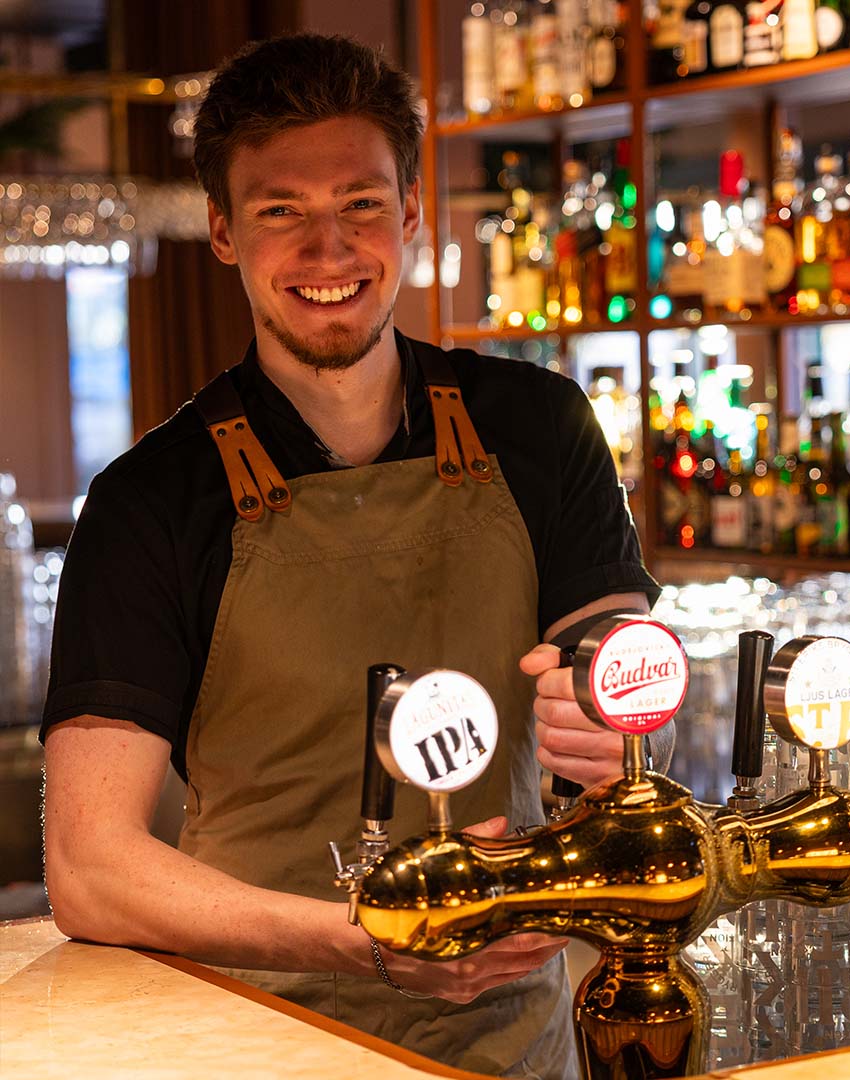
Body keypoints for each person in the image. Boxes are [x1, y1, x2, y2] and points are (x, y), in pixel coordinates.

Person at [40, 33, 666, 1080]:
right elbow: (89, 869)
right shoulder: (148, 501)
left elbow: (623, 673)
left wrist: (613, 727)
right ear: (224, 230)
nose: (328, 250)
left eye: (361, 203)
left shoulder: (541, 425)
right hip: (257, 1039)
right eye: (281, 210)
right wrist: (368, 940)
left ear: (412, 211)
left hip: (512, 1046)